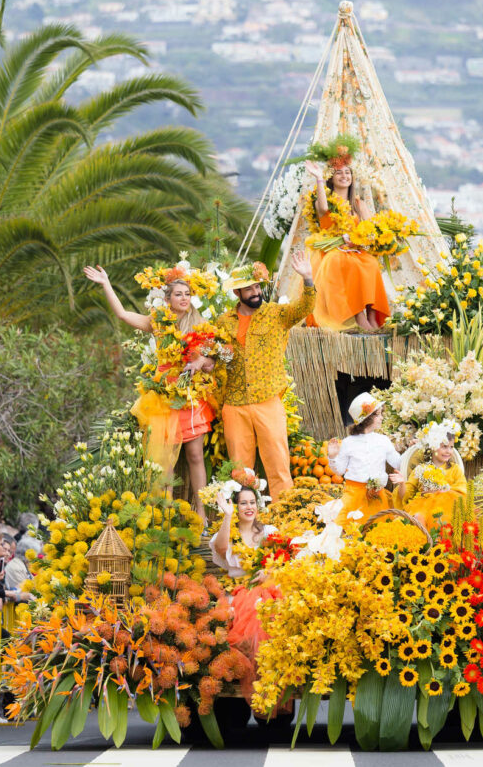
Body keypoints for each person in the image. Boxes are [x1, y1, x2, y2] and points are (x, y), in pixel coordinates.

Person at [85, 263, 224, 521]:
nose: (184, 298)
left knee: (195, 455)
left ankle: (202, 514)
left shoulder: (202, 324)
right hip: (162, 398)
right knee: (164, 461)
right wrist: (106, 285)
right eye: (178, 294)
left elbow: (218, 359)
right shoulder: (159, 323)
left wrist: (201, 362)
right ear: (168, 299)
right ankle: (165, 515)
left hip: (191, 396)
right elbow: (124, 315)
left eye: (187, 294)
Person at [213, 254, 316, 500]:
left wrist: (308, 278)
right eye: (249, 289)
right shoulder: (223, 321)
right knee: (239, 472)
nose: (256, 292)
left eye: (258, 286)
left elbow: (305, 307)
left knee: (278, 466)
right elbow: (219, 358)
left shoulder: (276, 314)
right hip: (234, 403)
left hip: (268, 400)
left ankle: (286, 519)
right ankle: (242, 521)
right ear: (237, 293)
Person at [302, 140, 390, 332]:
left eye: (347, 172)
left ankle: (372, 316)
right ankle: (358, 316)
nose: (344, 176)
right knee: (344, 263)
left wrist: (362, 239)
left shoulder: (358, 204)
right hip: (332, 251)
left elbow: (371, 230)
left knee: (370, 263)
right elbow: (323, 209)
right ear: (331, 178)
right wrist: (318, 177)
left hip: (355, 250)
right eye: (339, 172)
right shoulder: (324, 200)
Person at [210, 480, 280, 700]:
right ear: (236, 506)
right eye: (243, 503)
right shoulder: (229, 534)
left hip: (266, 589)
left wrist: (270, 573)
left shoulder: (269, 532)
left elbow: (283, 560)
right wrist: (228, 516)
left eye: (252, 502)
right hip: (236, 592)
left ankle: (271, 679)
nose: (249, 507)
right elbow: (221, 549)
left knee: (268, 612)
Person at [327, 392, 403, 527]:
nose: (382, 418)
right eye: (378, 414)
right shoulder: (348, 442)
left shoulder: (383, 441)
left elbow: (398, 463)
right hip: (353, 496)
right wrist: (332, 457)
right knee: (348, 531)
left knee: (377, 530)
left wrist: (412, 450)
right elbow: (339, 471)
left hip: (376, 496)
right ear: (367, 418)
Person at [403, 421, 467, 530]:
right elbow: (406, 494)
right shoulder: (421, 469)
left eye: (451, 447)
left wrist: (442, 490)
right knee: (418, 517)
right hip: (423, 506)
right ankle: (425, 542)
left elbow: (463, 491)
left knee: (443, 519)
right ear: (433, 447)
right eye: (444, 447)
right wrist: (401, 484)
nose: (448, 451)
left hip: (448, 507)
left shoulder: (455, 469)